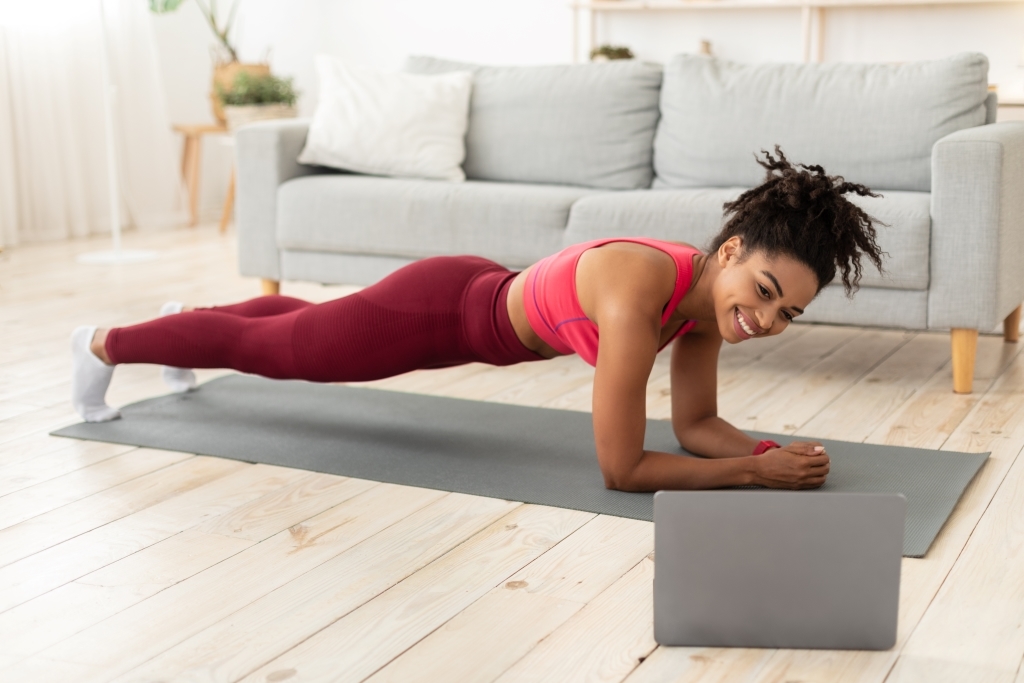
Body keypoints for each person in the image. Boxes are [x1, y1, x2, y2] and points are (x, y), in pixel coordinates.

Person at [70, 148, 884, 493]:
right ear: (733, 247)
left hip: (471, 293)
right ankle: (109, 342)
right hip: (438, 314)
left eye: (789, 313)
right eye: (767, 289)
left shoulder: (707, 300)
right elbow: (623, 468)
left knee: (298, 324)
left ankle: (184, 321)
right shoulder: (642, 295)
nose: (768, 318)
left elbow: (698, 423)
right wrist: (751, 476)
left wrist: (774, 451)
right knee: (281, 349)